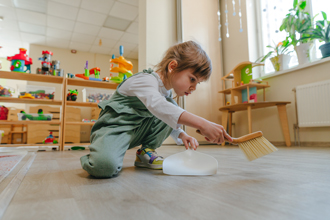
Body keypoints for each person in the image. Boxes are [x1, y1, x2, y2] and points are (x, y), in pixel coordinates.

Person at [80, 41, 233, 178]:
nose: (193, 87)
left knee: (171, 105)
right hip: (114, 128)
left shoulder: (166, 95)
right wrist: (203, 124)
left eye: (197, 83)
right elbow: (158, 106)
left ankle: (145, 153)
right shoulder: (144, 80)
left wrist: (181, 133)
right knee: (104, 167)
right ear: (172, 66)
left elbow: (165, 113)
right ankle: (99, 150)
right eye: (192, 79)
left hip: (137, 130)